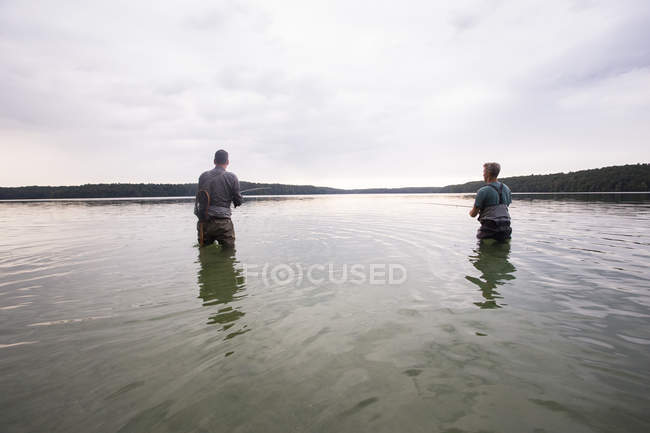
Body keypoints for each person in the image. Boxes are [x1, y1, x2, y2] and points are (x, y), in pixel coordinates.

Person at [194, 149, 243, 248]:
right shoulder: (232, 177)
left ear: (214, 161)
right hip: (223, 223)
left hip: (204, 223)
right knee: (228, 255)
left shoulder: (203, 176)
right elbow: (238, 202)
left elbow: (200, 198)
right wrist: (239, 198)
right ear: (227, 162)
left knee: (204, 255)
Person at [469, 162, 512, 241]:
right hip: (506, 226)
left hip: (489, 228)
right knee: (503, 251)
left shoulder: (482, 191)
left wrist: (470, 212)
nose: (483, 175)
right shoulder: (507, 189)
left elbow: (473, 214)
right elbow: (506, 206)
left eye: (483, 172)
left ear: (487, 174)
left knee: (484, 251)